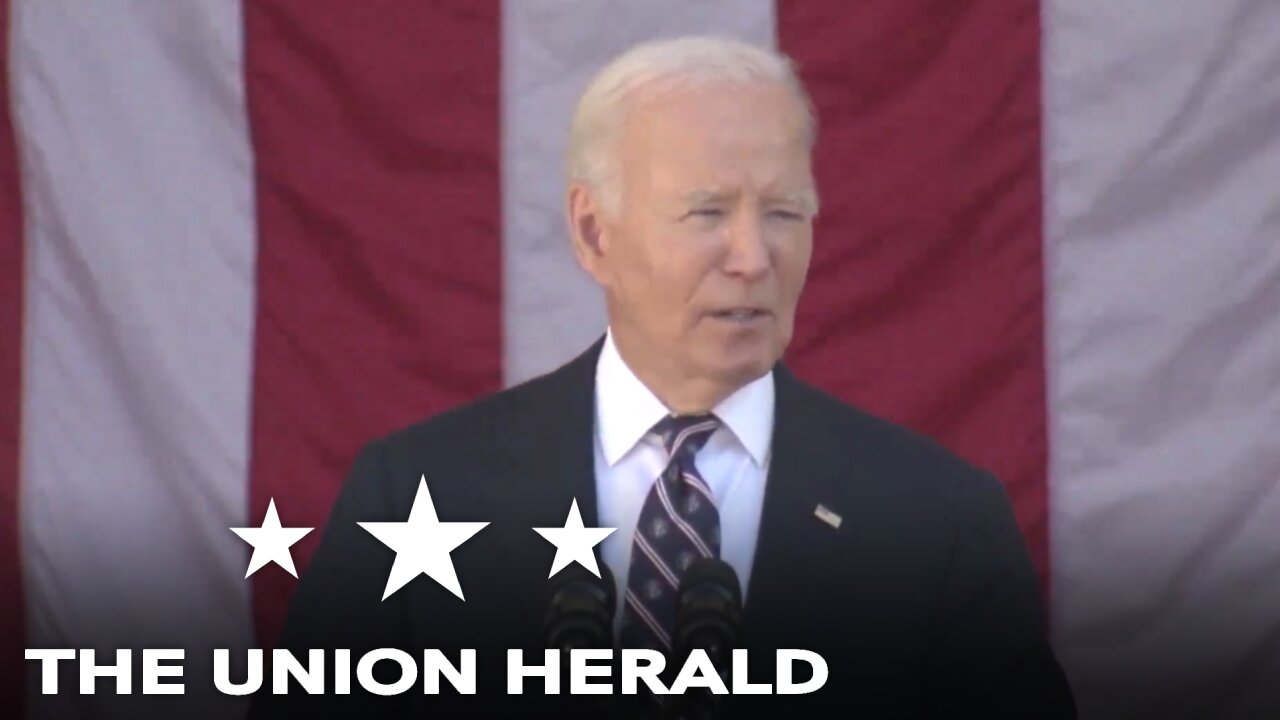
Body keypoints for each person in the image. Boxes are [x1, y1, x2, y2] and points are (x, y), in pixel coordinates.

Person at [247, 35, 1076, 718]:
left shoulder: (938, 521)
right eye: (706, 213)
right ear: (593, 232)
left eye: (784, 213)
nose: (752, 259)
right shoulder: (416, 494)